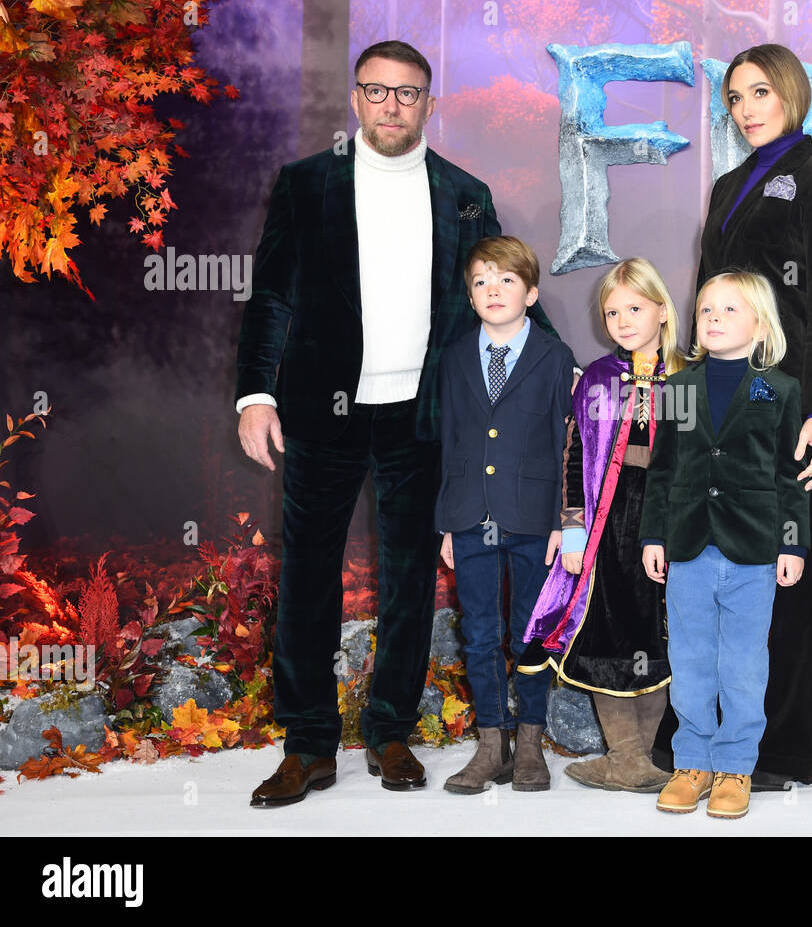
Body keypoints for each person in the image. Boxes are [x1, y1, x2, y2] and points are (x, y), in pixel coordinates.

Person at [236, 41, 567, 807]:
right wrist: (256, 395)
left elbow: (507, 291)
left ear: (429, 103)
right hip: (322, 413)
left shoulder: (464, 192)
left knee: (411, 581)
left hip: (423, 420)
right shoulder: (305, 184)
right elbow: (271, 299)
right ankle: (309, 743)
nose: (391, 106)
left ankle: (390, 731)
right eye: (377, 92)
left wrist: (570, 373)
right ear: (356, 100)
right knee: (310, 578)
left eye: (408, 93)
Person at [654, 43, 812, 790]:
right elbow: (708, 299)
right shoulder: (728, 185)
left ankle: (780, 750)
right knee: (710, 574)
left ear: (794, 95)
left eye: (760, 92)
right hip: (717, 402)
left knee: (790, 575)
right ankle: (700, 745)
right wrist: (684, 386)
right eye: (735, 98)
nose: (746, 109)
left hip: (787, 406)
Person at [640, 271, 810, 820]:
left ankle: (736, 766)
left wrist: (793, 544)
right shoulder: (679, 388)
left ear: (761, 325)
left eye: (729, 310)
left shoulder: (780, 390)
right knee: (690, 660)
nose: (712, 318)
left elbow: (790, 475)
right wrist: (653, 534)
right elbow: (662, 470)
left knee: (742, 663)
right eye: (706, 309)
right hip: (688, 546)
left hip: (754, 551)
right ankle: (694, 763)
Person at [519, 258, 684, 794]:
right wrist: (571, 531)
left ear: (662, 309)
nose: (623, 320)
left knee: (661, 637)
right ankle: (626, 756)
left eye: (635, 308)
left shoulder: (688, 376)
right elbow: (573, 458)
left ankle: (644, 756)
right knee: (607, 633)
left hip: (670, 525)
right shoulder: (597, 378)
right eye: (612, 312)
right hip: (607, 527)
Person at [435, 235, 576, 795]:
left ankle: (532, 744)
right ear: (470, 298)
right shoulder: (453, 356)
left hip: (532, 519)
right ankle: (491, 742)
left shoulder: (555, 356)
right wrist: (446, 519)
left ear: (531, 292)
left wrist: (561, 522)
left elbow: (567, 446)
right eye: (481, 282)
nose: (494, 290)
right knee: (479, 630)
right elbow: (450, 440)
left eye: (507, 280)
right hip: (469, 515)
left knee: (529, 631)